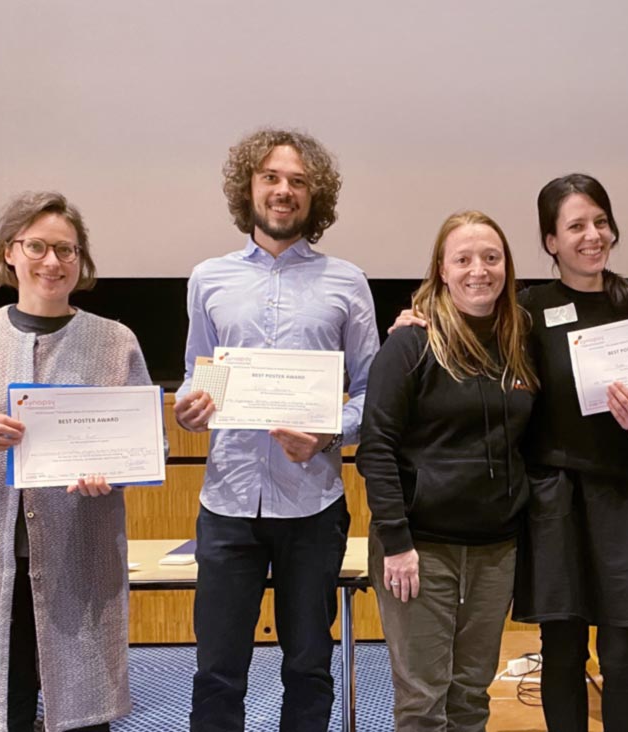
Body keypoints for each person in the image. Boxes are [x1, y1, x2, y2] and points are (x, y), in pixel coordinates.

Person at [391, 174, 628, 731]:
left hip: (627, 498)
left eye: (600, 222)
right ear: (550, 241)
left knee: (625, 656)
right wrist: (416, 321)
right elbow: (460, 335)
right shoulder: (522, 312)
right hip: (553, 502)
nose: (591, 235)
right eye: (575, 226)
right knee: (563, 651)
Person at [0, 191, 148, 732]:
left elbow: (142, 444)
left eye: (66, 249)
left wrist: (109, 475)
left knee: (84, 712)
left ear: (80, 261)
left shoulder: (115, 341)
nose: (52, 261)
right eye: (36, 245)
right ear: (9, 253)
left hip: (79, 556)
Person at [174, 128, 380, 732]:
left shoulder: (348, 282)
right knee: (216, 668)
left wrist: (325, 434)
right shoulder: (207, 278)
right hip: (228, 502)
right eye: (271, 177)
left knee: (309, 665)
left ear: (317, 197)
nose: (283, 191)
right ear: (250, 188)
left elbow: (373, 394)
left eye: (298, 181)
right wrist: (190, 403)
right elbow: (196, 373)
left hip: (313, 504)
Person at [357, 210, 538, 731]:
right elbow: (377, 447)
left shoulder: (519, 342)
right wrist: (395, 542)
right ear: (441, 268)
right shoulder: (411, 343)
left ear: (506, 266)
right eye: (462, 259)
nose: (478, 270)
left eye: (491, 257)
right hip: (419, 550)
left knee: (471, 695)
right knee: (422, 700)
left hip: (495, 549)